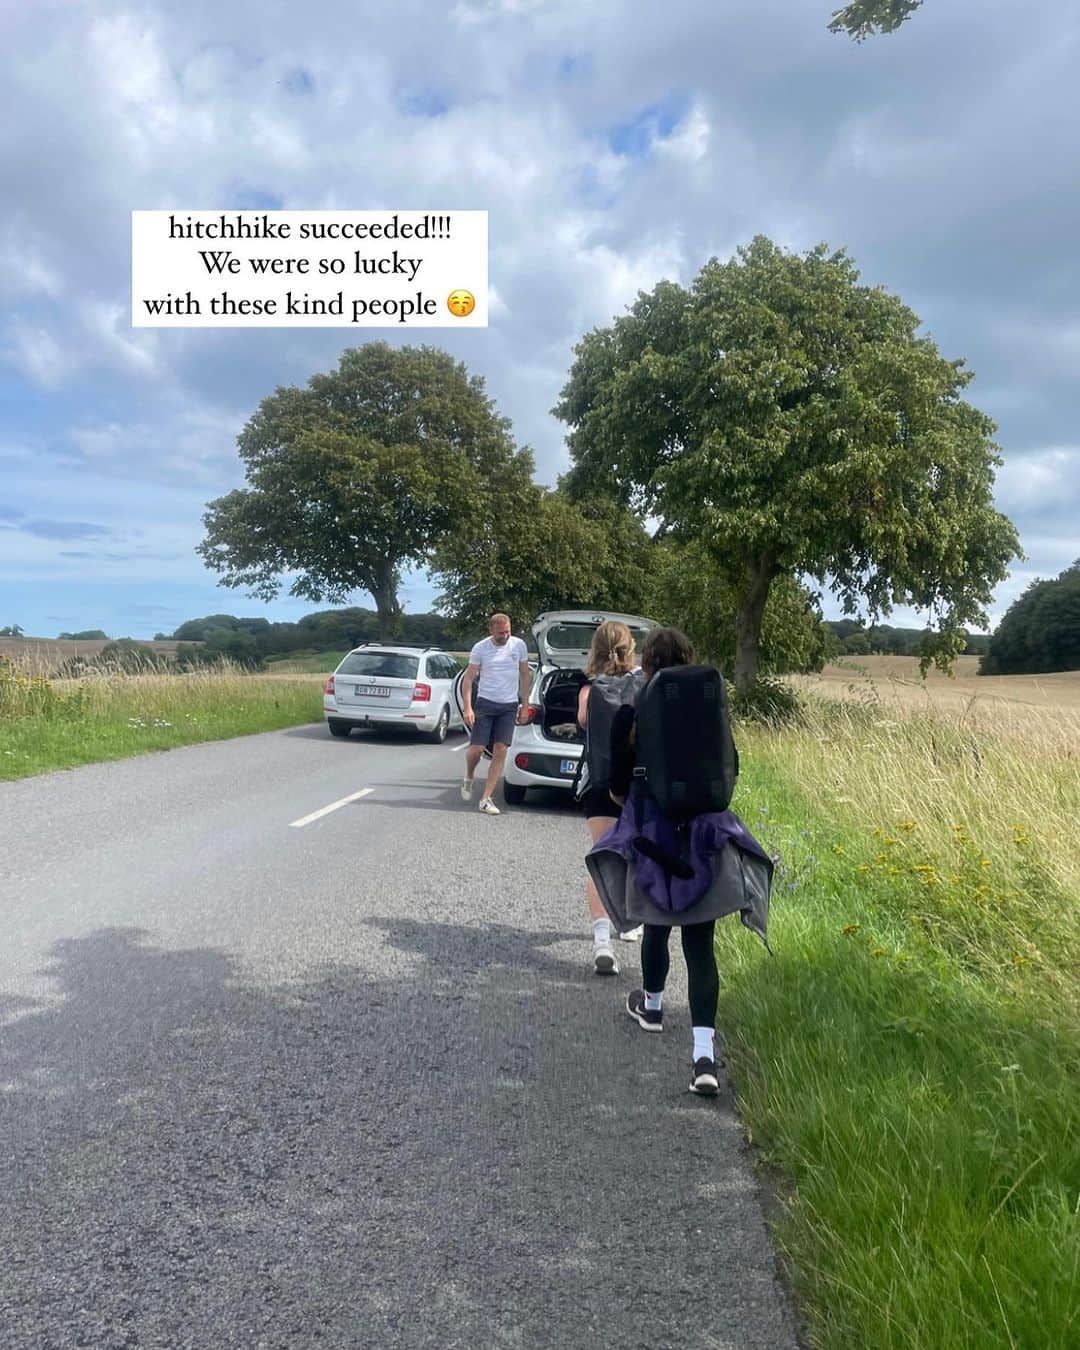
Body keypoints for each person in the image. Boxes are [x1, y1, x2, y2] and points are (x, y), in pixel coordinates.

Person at [603, 626, 746, 1097]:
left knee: (656, 924)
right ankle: (704, 1057)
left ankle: (653, 1006)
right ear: (690, 659)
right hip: (704, 838)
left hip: (652, 836)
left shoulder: (632, 713)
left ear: (646, 664)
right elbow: (732, 770)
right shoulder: (711, 711)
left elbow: (616, 788)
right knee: (701, 948)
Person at [575, 621, 643, 976]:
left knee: (601, 856)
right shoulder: (643, 685)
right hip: (636, 784)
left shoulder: (589, 690)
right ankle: (629, 925)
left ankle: (602, 940)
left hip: (599, 784)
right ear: (630, 647)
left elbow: (583, 722)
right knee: (634, 854)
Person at [460, 613, 531, 815]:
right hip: (486, 703)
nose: (505, 635)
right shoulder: (480, 648)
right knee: (477, 749)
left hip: (509, 705)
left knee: (501, 750)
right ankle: (469, 775)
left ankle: (486, 798)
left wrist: (524, 705)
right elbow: (468, 679)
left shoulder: (519, 646)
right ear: (491, 630)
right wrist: (468, 707)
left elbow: (525, 675)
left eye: (508, 631)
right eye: (501, 633)